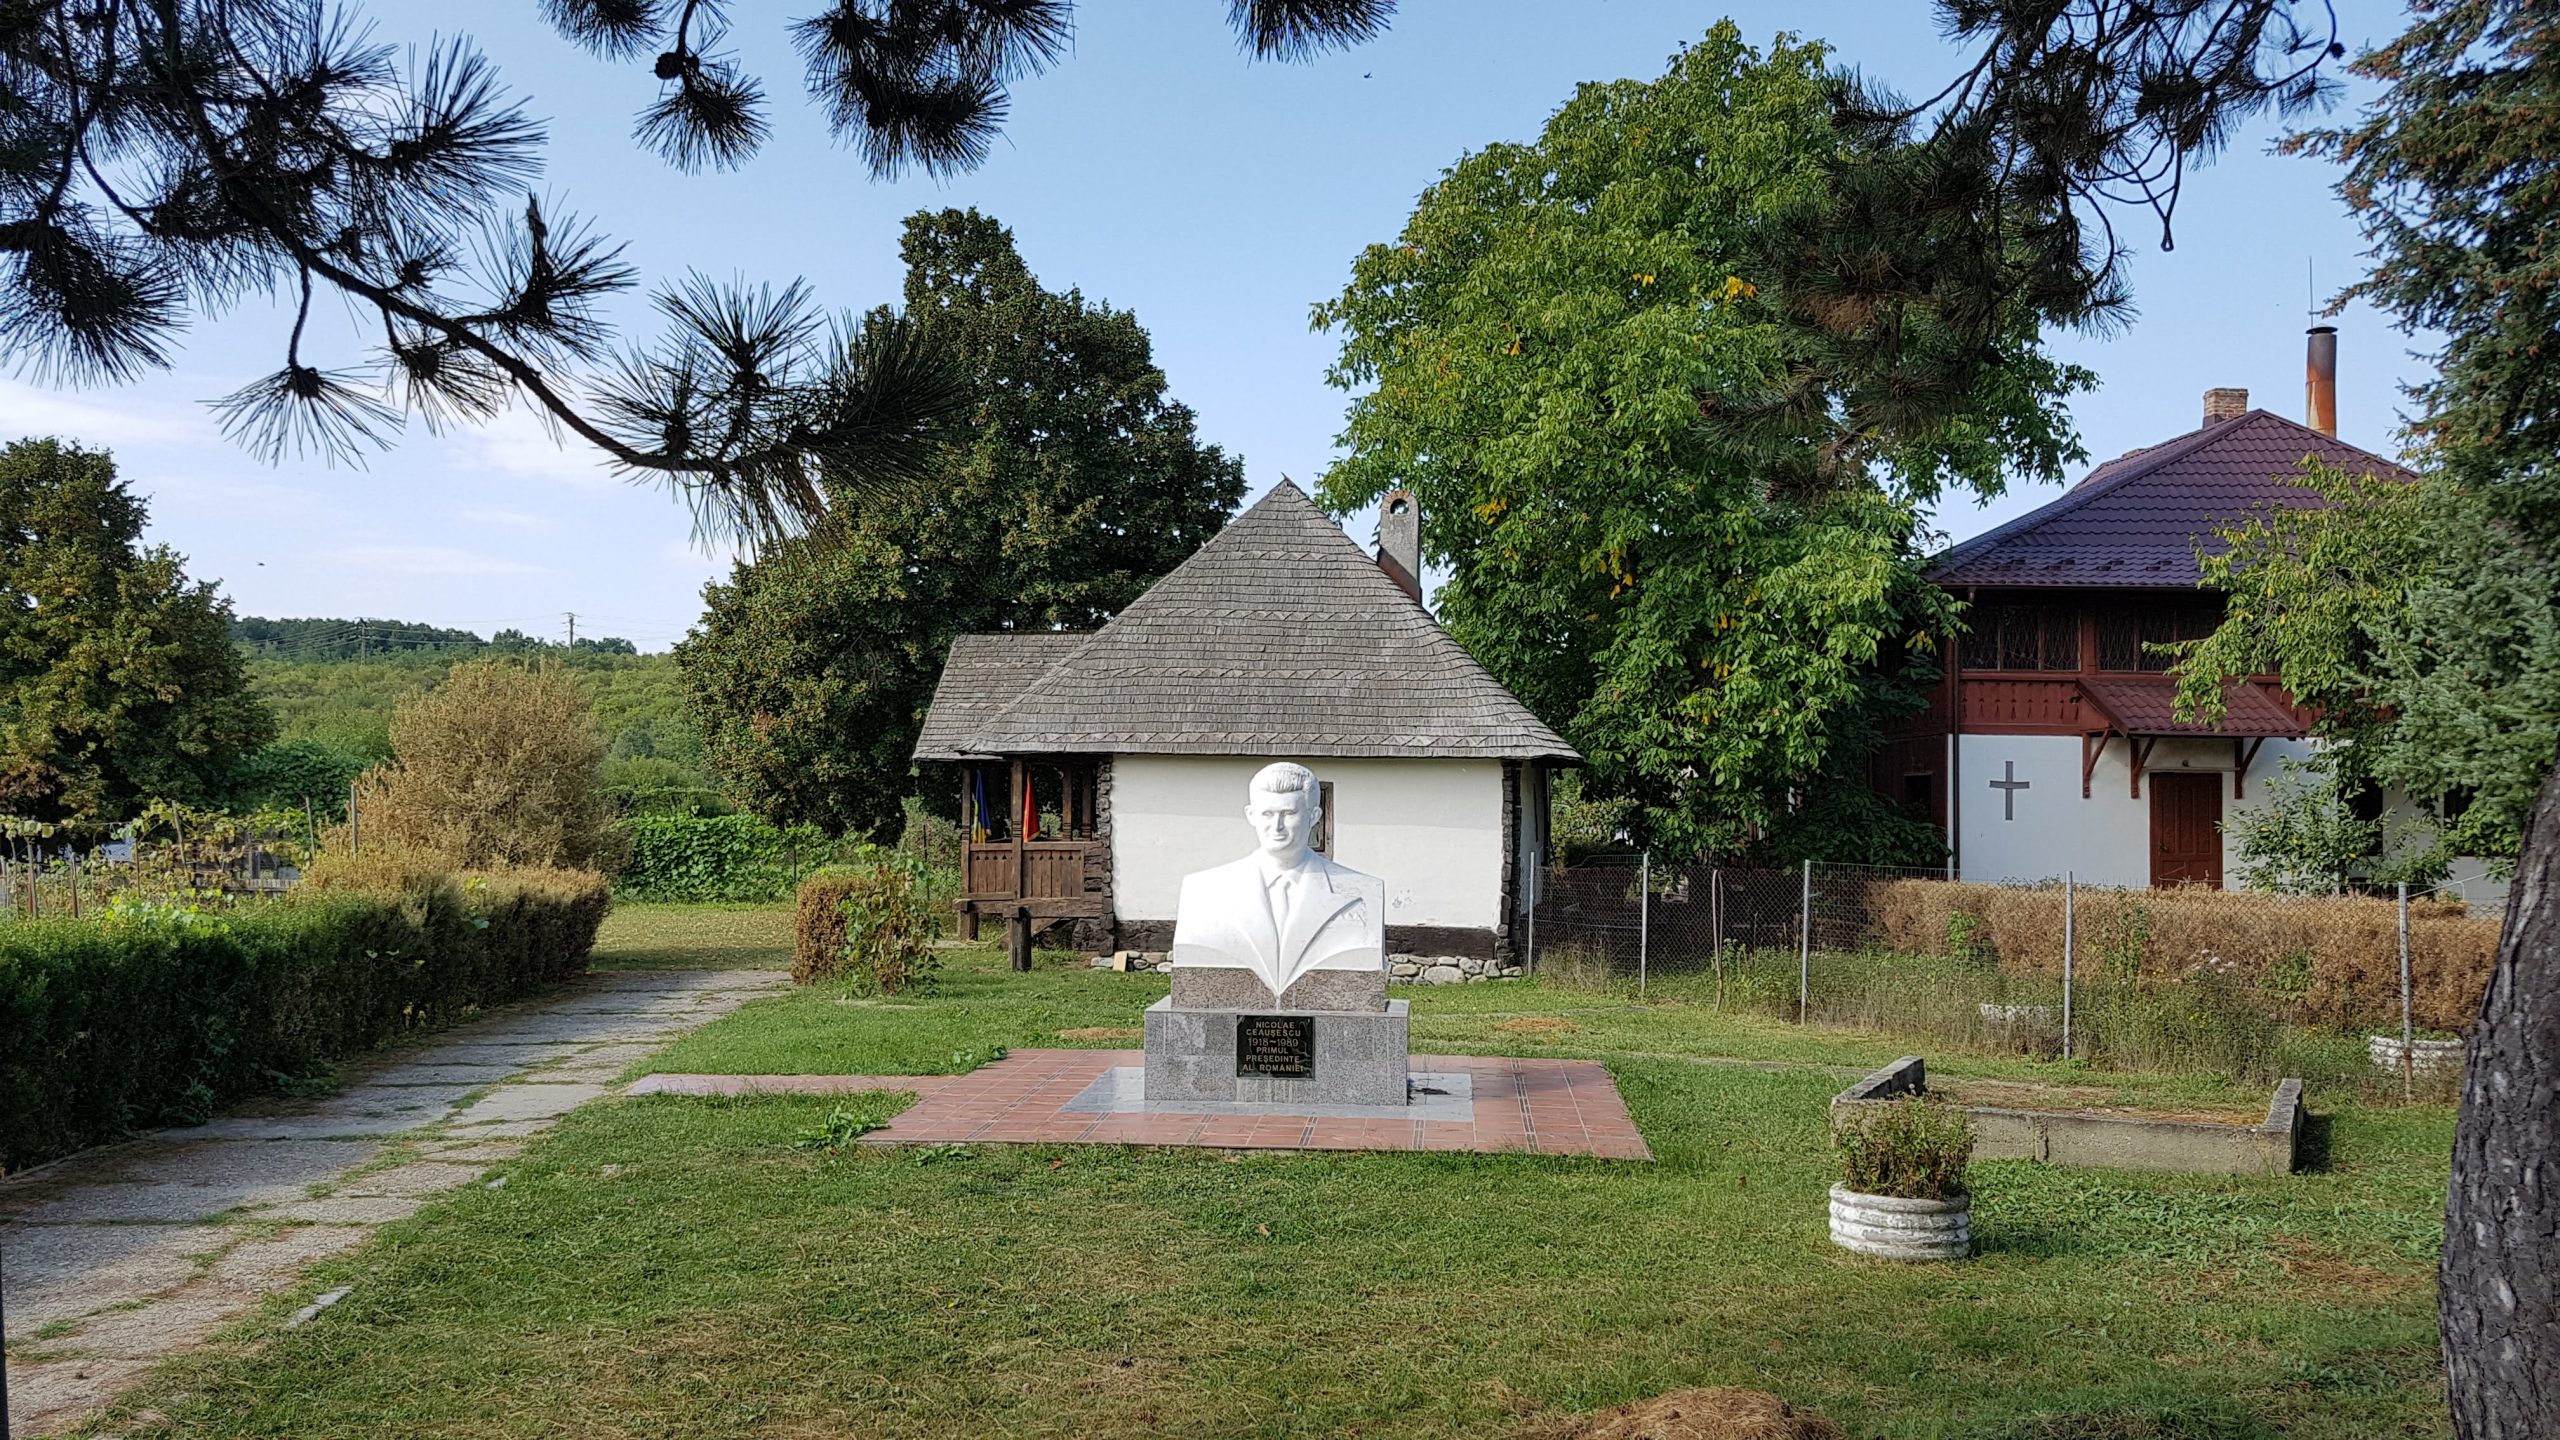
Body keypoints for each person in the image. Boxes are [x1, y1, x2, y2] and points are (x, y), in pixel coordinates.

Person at [1168, 761, 1385, 998]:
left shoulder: (1363, 891)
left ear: (1314, 816)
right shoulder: (1203, 890)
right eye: (1267, 814)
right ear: (1251, 815)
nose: (1277, 827)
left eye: (1289, 813)